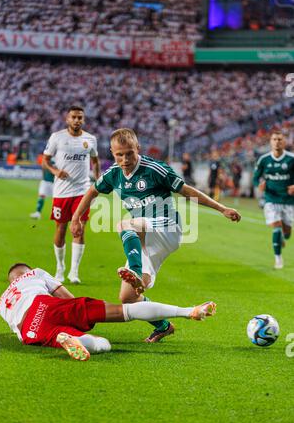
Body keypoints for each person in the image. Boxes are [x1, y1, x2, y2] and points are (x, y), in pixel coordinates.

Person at [70, 128, 241, 343]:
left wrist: (222, 208)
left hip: (166, 227)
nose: (124, 159)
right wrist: (76, 217)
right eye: (119, 154)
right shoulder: (113, 174)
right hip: (144, 236)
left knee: (124, 224)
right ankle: (163, 325)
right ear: (112, 153)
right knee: (128, 298)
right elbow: (92, 191)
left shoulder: (155, 169)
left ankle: (138, 274)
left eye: (129, 153)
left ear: (138, 149)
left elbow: (188, 191)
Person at [0, 263, 217, 361]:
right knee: (126, 310)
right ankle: (189, 311)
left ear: (11, 281)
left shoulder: (1, 302)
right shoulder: (34, 273)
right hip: (45, 305)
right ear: (25, 273)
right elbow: (66, 298)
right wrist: (82, 311)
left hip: (29, 330)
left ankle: (71, 339)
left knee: (100, 344)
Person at [42, 105, 101, 284]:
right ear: (67, 119)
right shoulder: (57, 137)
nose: (77, 120)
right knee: (61, 228)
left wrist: (98, 182)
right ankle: (60, 269)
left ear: (83, 120)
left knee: (79, 229)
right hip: (61, 192)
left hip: (82, 191)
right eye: (73, 117)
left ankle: (74, 272)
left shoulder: (90, 139)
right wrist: (55, 171)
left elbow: (95, 161)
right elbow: (45, 160)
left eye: (80, 118)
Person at [253, 130, 294, 269]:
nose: (277, 142)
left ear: (285, 142)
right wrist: (259, 185)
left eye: (280, 139)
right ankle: (278, 259)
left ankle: (284, 236)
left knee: (287, 233)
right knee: (276, 227)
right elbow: (255, 178)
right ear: (270, 142)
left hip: (289, 201)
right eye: (274, 139)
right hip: (270, 199)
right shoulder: (264, 160)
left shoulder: (291, 159)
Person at [30, 155, 54, 220]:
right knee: (41, 196)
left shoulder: (58, 158)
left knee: (56, 199)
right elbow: (43, 167)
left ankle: (57, 214)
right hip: (45, 181)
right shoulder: (46, 157)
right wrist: (42, 178)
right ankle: (38, 213)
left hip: (54, 182)